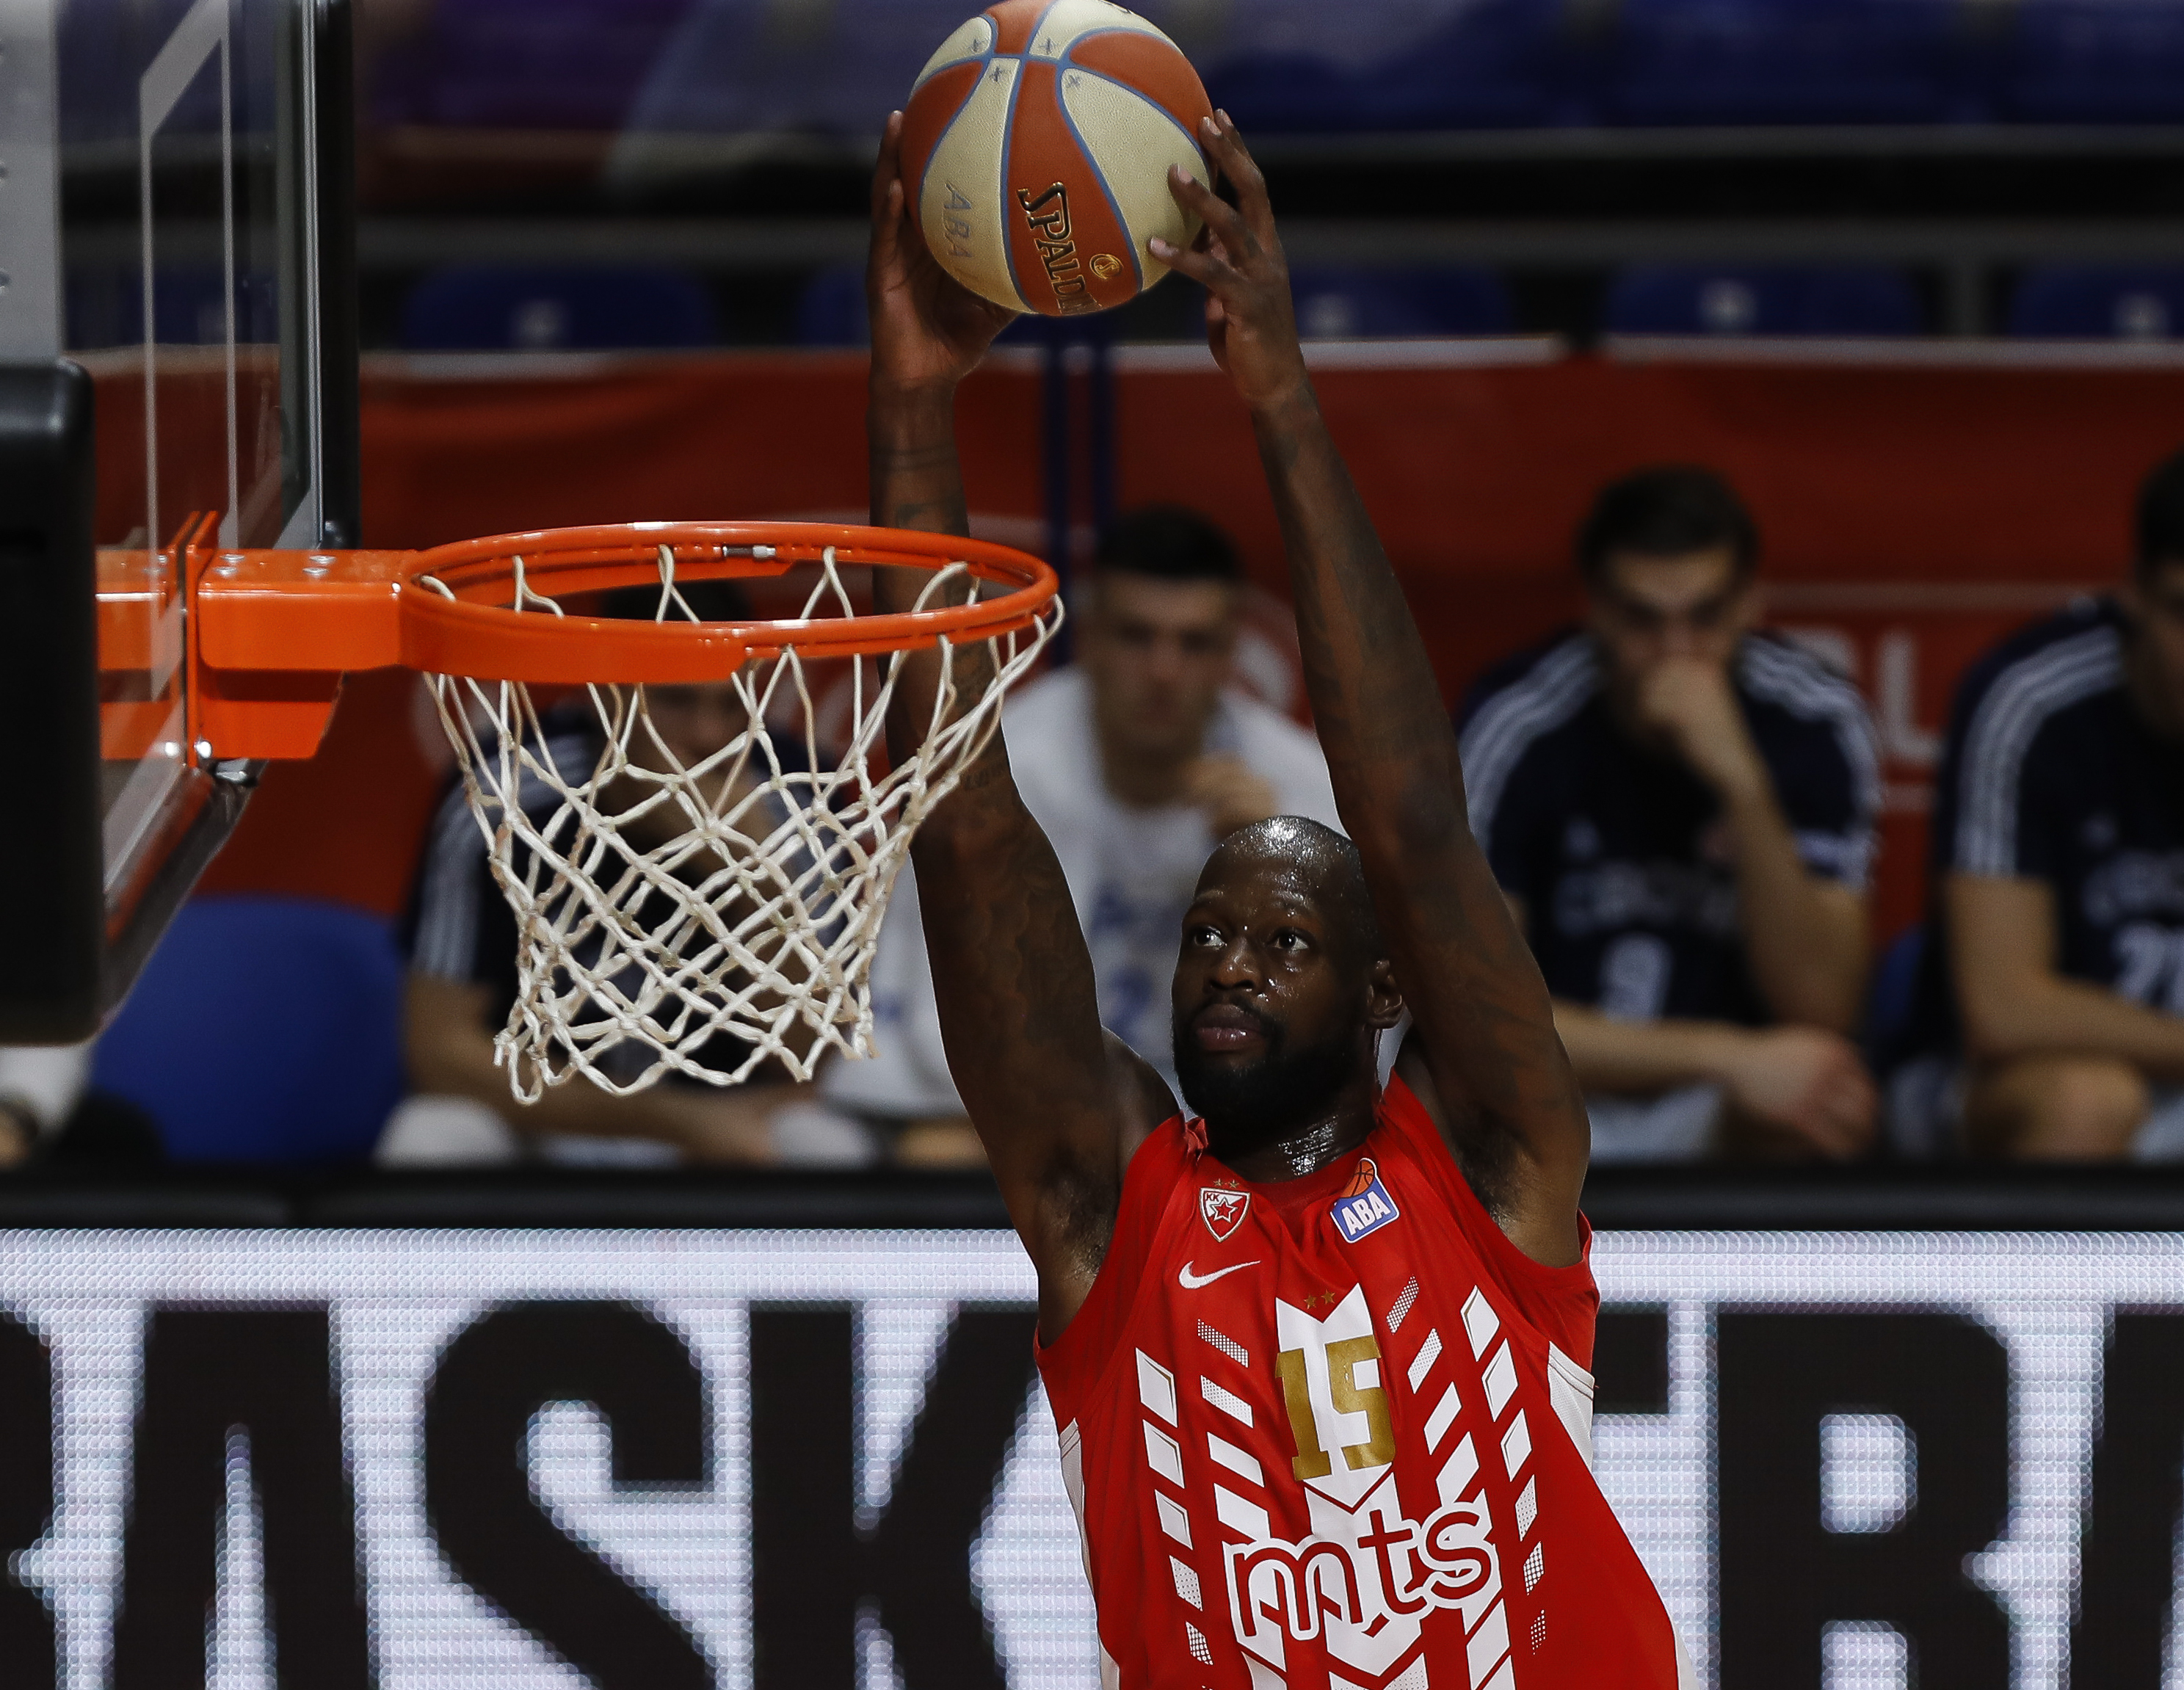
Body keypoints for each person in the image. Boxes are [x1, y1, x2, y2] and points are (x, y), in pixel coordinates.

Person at [862, 106, 1686, 1683]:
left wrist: (1280, 397)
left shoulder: (1497, 1162)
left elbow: (1414, 826)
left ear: (1389, 992)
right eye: (1211, 934)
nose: (1230, 962)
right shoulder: (1115, 1212)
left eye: (1288, 937)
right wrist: (913, 405)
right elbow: (964, 828)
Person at [827, 505, 1340, 1162]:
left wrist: (1280, 880)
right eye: (1136, 636)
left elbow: (1347, 1049)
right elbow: (945, 1035)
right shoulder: (995, 770)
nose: (1163, 670)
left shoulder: (1296, 787)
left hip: (1237, 1129)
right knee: (914, 1154)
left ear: (1230, 653)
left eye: (1194, 643)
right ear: (1089, 638)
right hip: (1037, 1127)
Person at [1918, 440, 2184, 1161]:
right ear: (2135, 594)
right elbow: (2004, 1010)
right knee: (2091, 1102)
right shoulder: (2032, 700)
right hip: (2024, 1078)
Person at [1457, 468, 1882, 1161]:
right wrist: (1726, 1055)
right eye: (1642, 620)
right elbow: (1476, 1019)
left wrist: (1743, 785)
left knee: (1822, 1106)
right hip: (1555, 1087)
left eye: (1706, 617)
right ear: (1594, 606)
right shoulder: (1518, 724)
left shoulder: (1814, 720)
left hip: (1728, 1107)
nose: (1676, 654)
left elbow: (1822, 1005)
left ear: (1752, 603)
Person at [382, 580, 872, 1167]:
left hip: (734, 1116)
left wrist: (748, 878)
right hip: (547, 1108)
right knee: (431, 1138)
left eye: (729, 706)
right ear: (604, 695)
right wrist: (673, 1122)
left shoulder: (796, 800)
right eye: (676, 702)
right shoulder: (507, 795)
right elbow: (437, 1052)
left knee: (828, 1148)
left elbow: (819, 1054)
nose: (709, 738)